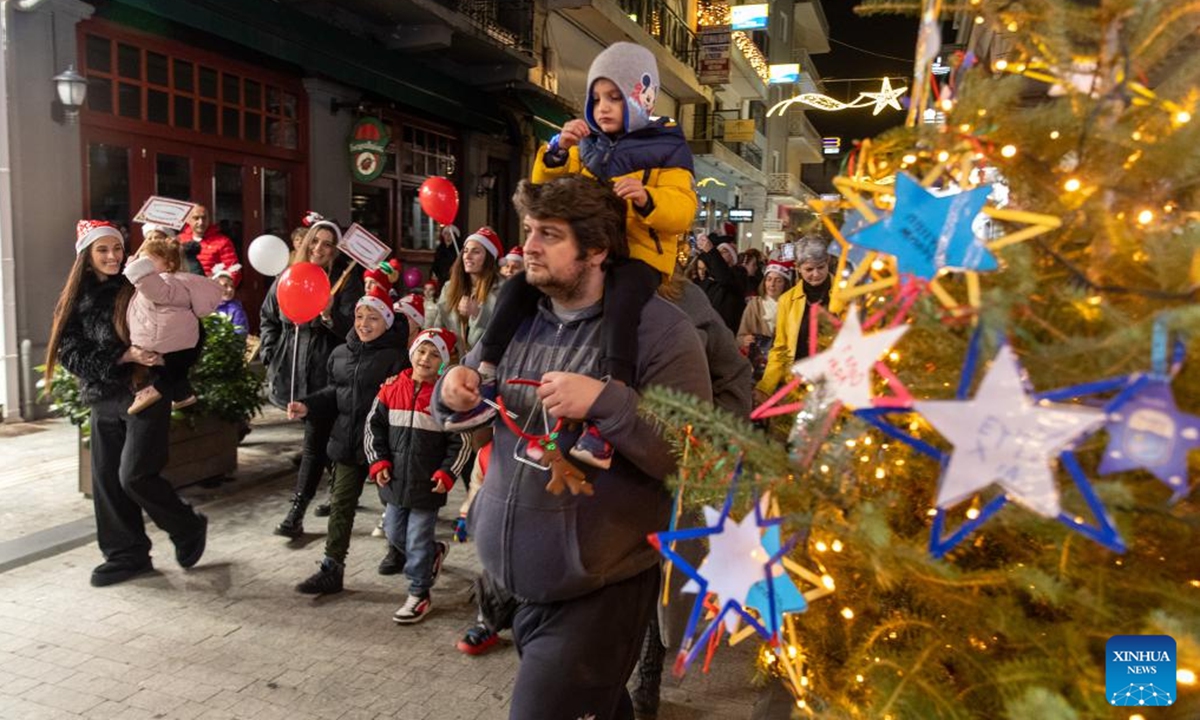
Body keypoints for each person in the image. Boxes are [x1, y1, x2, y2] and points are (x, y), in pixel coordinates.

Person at [434, 176, 711, 719]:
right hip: (512, 585)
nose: (529, 247)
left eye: (550, 235)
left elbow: (690, 455)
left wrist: (608, 403)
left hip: (599, 590)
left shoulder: (663, 333)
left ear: (597, 249)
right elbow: (474, 411)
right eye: (529, 230)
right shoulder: (514, 317)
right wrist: (451, 393)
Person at [461, 41, 697, 465]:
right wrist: (554, 151)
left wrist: (647, 201)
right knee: (517, 287)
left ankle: (609, 401)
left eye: (614, 98)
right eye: (595, 98)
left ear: (640, 98)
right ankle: (488, 374)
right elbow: (546, 189)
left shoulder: (666, 147)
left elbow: (682, 208)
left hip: (639, 256)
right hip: (591, 253)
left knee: (622, 307)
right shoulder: (587, 146)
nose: (602, 107)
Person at [44, 220, 209, 587]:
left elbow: (192, 333)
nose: (112, 256)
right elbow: (69, 350)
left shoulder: (140, 283)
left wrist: (165, 361)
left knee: (134, 475)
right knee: (106, 482)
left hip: (148, 391)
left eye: (117, 248)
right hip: (104, 396)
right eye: (102, 250)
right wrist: (122, 355)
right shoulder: (75, 297)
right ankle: (126, 554)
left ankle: (187, 526)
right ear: (86, 255)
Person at [288, 287, 408, 594]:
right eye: (359, 316)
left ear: (387, 322)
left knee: (394, 506)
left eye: (373, 318)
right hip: (346, 442)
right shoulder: (340, 353)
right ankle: (332, 567)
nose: (364, 323)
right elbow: (334, 393)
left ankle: (406, 549)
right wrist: (308, 404)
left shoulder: (395, 358)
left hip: (382, 447)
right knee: (341, 504)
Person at [264, 218, 365, 537]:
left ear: (336, 250)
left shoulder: (345, 281)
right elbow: (269, 316)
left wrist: (330, 315)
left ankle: (297, 511)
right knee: (321, 438)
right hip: (293, 367)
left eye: (327, 244)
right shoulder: (288, 275)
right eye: (315, 241)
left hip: (327, 372)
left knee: (314, 439)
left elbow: (356, 331)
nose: (319, 249)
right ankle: (341, 491)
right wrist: (271, 350)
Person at [365, 327, 470, 622]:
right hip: (395, 482)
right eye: (422, 351)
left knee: (416, 539)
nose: (426, 358)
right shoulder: (390, 389)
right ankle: (433, 553)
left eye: (435, 354)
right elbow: (373, 428)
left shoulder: (445, 400)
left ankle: (419, 592)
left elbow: (460, 441)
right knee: (396, 533)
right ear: (412, 352)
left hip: (427, 487)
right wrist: (378, 462)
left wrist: (448, 473)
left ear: (444, 362)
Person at [123, 226, 223, 414]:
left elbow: (149, 286)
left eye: (149, 262)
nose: (144, 265)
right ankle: (183, 394)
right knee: (174, 372)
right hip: (179, 340)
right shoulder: (180, 281)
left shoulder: (165, 282)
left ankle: (150, 390)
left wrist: (133, 269)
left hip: (161, 338)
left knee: (152, 365)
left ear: (168, 265)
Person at [756, 236, 835, 400]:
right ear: (798, 268)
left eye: (821, 267)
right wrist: (765, 387)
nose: (816, 274)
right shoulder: (787, 300)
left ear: (828, 262)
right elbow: (780, 349)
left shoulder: (843, 294)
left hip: (835, 383)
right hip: (797, 384)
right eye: (809, 269)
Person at [424, 226, 502, 360]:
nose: (468, 256)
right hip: (454, 366)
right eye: (465, 251)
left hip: (487, 365)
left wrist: (478, 314)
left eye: (476, 252)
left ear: (489, 257)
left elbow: (503, 335)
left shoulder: (501, 291)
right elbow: (439, 326)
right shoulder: (449, 288)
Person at [738, 260, 794, 382]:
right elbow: (740, 336)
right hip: (758, 366)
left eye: (778, 280)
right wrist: (744, 340)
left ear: (786, 284)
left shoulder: (792, 306)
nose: (772, 284)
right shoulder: (754, 304)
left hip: (782, 367)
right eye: (769, 279)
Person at [693, 231, 748, 333]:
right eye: (718, 252)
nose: (719, 254)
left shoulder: (739, 274)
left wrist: (712, 251)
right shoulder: (710, 279)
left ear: (732, 257)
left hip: (728, 329)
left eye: (724, 251)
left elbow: (725, 278)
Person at [179, 204, 240, 282]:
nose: (201, 222)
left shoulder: (223, 242)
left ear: (209, 219)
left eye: (204, 218)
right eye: (196, 218)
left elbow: (234, 271)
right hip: (185, 289)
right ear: (188, 220)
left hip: (211, 289)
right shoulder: (180, 240)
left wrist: (221, 287)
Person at [210, 263, 249, 335]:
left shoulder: (236, 310)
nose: (230, 289)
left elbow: (240, 332)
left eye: (232, 286)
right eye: (225, 286)